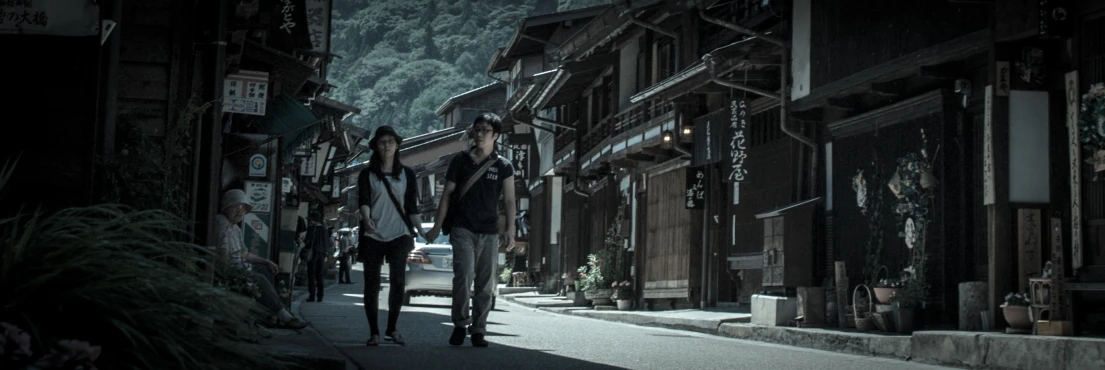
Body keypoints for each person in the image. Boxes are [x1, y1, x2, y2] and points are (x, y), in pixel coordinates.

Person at [425, 112, 516, 348]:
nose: (480, 133)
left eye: (486, 130)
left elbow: (509, 200)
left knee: (486, 283)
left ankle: (479, 329)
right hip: (462, 227)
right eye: (477, 129)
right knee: (463, 276)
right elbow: (447, 194)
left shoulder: (504, 166)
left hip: (489, 230)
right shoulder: (460, 161)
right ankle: (459, 324)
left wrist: (511, 229)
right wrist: (436, 226)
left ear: (496, 135)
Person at [357, 125, 426, 347]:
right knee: (372, 283)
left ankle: (392, 329)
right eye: (382, 142)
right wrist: (366, 219)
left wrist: (423, 231)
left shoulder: (407, 174)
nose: (386, 145)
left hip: (400, 234)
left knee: (398, 281)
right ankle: (374, 332)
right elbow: (364, 200)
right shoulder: (367, 174)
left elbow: (411, 206)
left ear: (397, 145)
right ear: (376, 146)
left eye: (390, 141)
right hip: (373, 234)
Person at [217, 189, 308, 329]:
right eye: (236, 207)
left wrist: (266, 261)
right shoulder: (221, 222)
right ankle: (283, 316)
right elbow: (224, 255)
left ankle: (270, 314)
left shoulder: (236, 228)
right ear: (227, 206)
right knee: (259, 279)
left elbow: (245, 254)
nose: (240, 211)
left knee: (266, 269)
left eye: (243, 208)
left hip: (240, 267)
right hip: (230, 270)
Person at [304, 212, 329, 302]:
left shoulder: (311, 229)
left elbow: (307, 242)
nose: (309, 221)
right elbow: (327, 243)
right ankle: (320, 296)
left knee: (311, 275)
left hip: (313, 254)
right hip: (322, 254)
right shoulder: (324, 229)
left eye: (310, 220)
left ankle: (312, 296)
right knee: (319, 275)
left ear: (314, 220)